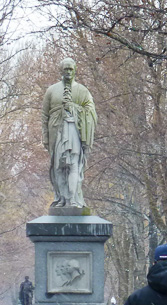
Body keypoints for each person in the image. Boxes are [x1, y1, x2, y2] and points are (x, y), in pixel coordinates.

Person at [41, 57, 97, 208]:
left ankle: (73, 198)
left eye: (71, 69)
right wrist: (45, 137)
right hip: (56, 132)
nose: (68, 72)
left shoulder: (82, 90)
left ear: (75, 70)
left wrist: (74, 108)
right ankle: (61, 198)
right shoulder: (51, 90)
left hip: (74, 132)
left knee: (73, 165)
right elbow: (45, 115)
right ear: (61, 70)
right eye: (65, 69)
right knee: (58, 167)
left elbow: (91, 111)